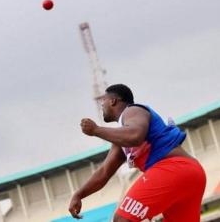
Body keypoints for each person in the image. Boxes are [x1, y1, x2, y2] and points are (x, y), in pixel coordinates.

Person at [68, 84, 206, 222]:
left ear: (113, 101)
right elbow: (104, 172)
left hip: (173, 169)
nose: (101, 105)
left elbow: (135, 136)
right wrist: (79, 194)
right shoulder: (121, 137)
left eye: (103, 100)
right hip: (192, 173)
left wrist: (96, 130)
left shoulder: (132, 111)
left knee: (122, 219)